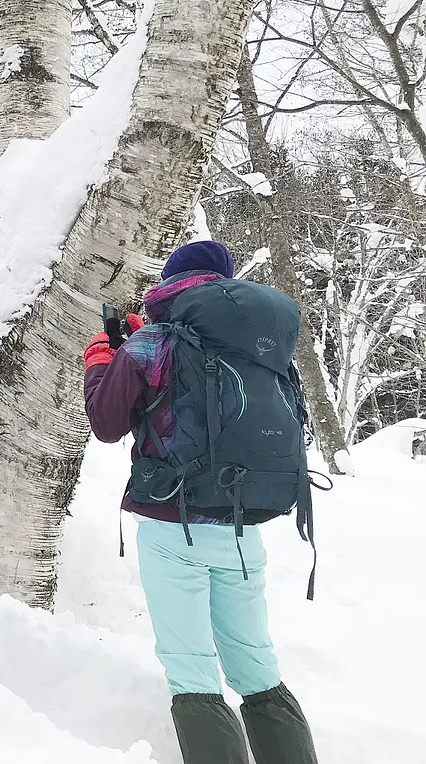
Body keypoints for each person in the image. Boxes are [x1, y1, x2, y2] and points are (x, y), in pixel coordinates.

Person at [83, 240, 318, 764]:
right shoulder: (261, 344)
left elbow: (106, 422)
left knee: (192, 671)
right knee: (257, 667)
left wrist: (103, 357)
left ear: (171, 285)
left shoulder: (153, 345)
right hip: (243, 525)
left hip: (174, 526)